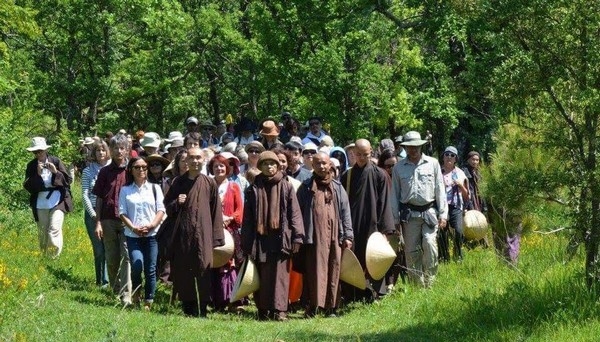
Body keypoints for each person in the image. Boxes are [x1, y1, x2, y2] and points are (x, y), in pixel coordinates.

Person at [241, 151, 305, 321]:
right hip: (261, 238)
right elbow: (247, 218)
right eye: (265, 164)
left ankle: (280, 310)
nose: (270, 167)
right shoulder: (254, 188)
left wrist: (297, 236)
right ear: (260, 167)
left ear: (278, 166)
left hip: (281, 237)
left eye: (273, 164)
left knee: (280, 276)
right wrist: (246, 242)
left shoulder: (286, 186)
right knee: (262, 275)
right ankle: (263, 310)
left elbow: (295, 213)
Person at [163, 147, 225, 317]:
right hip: (183, 235)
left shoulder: (209, 183)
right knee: (183, 270)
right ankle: (187, 306)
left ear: (203, 160)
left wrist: (216, 238)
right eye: (191, 158)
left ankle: (202, 307)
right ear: (186, 161)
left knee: (203, 268)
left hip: (203, 235)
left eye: (198, 158)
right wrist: (177, 202)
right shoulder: (177, 182)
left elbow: (216, 211)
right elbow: (167, 207)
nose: (195, 161)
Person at [296, 152, 353, 317]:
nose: (321, 167)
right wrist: (299, 237)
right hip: (314, 238)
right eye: (318, 163)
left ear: (330, 165)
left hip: (335, 236)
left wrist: (348, 236)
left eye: (324, 163)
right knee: (314, 271)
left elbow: (345, 212)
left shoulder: (337, 187)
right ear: (312, 166)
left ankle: (332, 307)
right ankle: (314, 306)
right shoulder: (306, 187)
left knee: (333, 269)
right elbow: (297, 213)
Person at [339, 139, 395, 301]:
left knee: (373, 259)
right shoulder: (347, 176)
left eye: (366, 154)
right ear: (353, 154)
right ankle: (352, 295)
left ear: (371, 153)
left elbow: (385, 204)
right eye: (358, 154)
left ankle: (375, 293)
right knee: (354, 259)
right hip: (352, 225)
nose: (362, 158)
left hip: (373, 226)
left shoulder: (380, 174)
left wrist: (385, 231)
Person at [391, 131, 447, 288]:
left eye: (415, 147)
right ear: (405, 148)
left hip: (429, 212)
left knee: (430, 244)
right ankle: (418, 286)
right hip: (409, 215)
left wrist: (443, 214)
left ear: (421, 146)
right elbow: (394, 194)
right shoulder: (398, 168)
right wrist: (395, 220)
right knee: (411, 251)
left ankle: (431, 282)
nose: (412, 150)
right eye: (409, 147)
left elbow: (439, 189)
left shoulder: (433, 163)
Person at [119, 157, 166, 310]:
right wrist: (133, 228)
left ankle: (149, 300)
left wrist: (152, 225)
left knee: (150, 268)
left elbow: (161, 210)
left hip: (152, 235)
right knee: (137, 264)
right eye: (137, 167)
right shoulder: (125, 190)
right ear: (131, 170)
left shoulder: (155, 188)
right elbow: (122, 212)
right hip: (133, 235)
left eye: (144, 167)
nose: (141, 170)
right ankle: (137, 294)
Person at [92, 133, 133, 305]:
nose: (118, 151)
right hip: (108, 219)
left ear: (127, 150)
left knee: (127, 256)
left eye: (121, 148)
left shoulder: (132, 170)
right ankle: (115, 290)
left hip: (127, 220)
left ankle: (127, 294)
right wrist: (98, 222)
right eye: (115, 147)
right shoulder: (104, 172)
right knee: (112, 256)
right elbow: (99, 198)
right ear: (111, 150)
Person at [23, 137, 73, 259]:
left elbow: (68, 181)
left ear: (45, 150)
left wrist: (56, 172)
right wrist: (38, 175)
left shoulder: (55, 161)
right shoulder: (31, 165)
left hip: (58, 200)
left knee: (54, 229)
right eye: (35, 152)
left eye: (40, 151)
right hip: (40, 202)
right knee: (43, 232)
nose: (38, 154)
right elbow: (28, 186)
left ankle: (54, 257)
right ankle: (45, 257)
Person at [207, 154, 244, 311]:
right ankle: (214, 300)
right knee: (213, 263)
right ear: (212, 169)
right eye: (216, 166)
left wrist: (229, 218)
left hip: (230, 231)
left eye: (222, 166)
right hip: (211, 231)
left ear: (227, 169)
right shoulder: (208, 186)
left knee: (229, 265)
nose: (219, 169)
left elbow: (240, 210)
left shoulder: (234, 187)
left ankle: (232, 301)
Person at [81, 140, 111, 286]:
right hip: (92, 212)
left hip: (109, 214)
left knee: (109, 248)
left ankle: (111, 280)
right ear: (94, 153)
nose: (101, 153)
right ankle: (101, 281)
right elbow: (85, 194)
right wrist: (93, 214)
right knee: (99, 249)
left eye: (103, 150)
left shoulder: (113, 168)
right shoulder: (88, 170)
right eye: (98, 150)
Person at [438, 146, 469, 262]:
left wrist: (460, 185)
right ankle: (443, 257)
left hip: (456, 206)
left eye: (452, 155)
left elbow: (467, 196)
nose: (449, 157)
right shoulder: (437, 172)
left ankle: (458, 256)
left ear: (456, 158)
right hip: (441, 206)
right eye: (447, 154)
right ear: (443, 157)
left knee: (458, 231)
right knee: (441, 232)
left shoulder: (460, 173)